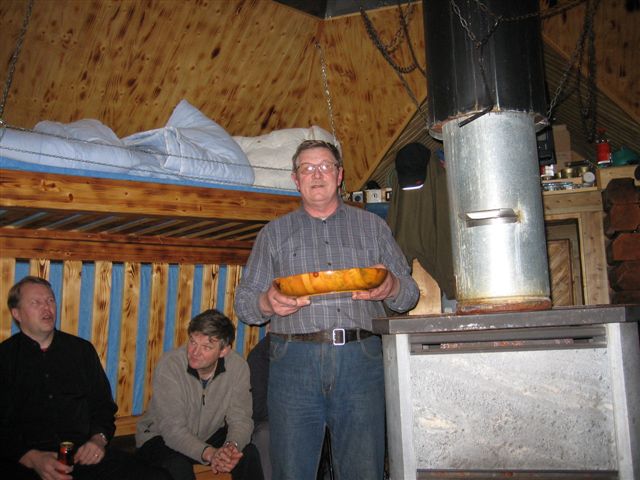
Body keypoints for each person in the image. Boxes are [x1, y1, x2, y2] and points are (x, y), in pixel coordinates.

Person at [235, 139, 420, 479]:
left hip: (361, 359)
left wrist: (392, 285)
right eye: (307, 168)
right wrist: (266, 302)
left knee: (364, 469)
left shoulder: (373, 227)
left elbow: (409, 294)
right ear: (296, 179)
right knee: (291, 470)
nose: (317, 174)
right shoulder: (272, 234)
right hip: (293, 361)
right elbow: (244, 304)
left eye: (325, 166)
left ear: (339, 175)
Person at [0, 275, 169, 480]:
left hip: (84, 455)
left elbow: (103, 407)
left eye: (50, 300)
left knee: (156, 477)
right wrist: (31, 457)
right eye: (36, 302)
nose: (46, 307)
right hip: (26, 460)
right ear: (16, 313)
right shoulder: (5, 358)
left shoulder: (81, 351)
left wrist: (98, 440)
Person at [135, 308, 263, 480]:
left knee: (248, 453)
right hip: (159, 437)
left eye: (206, 347)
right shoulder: (171, 365)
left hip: (207, 434)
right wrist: (210, 453)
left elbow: (241, 419)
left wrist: (231, 447)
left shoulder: (237, 367)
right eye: (193, 342)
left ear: (224, 351)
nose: (195, 352)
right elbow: (172, 430)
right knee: (178, 466)